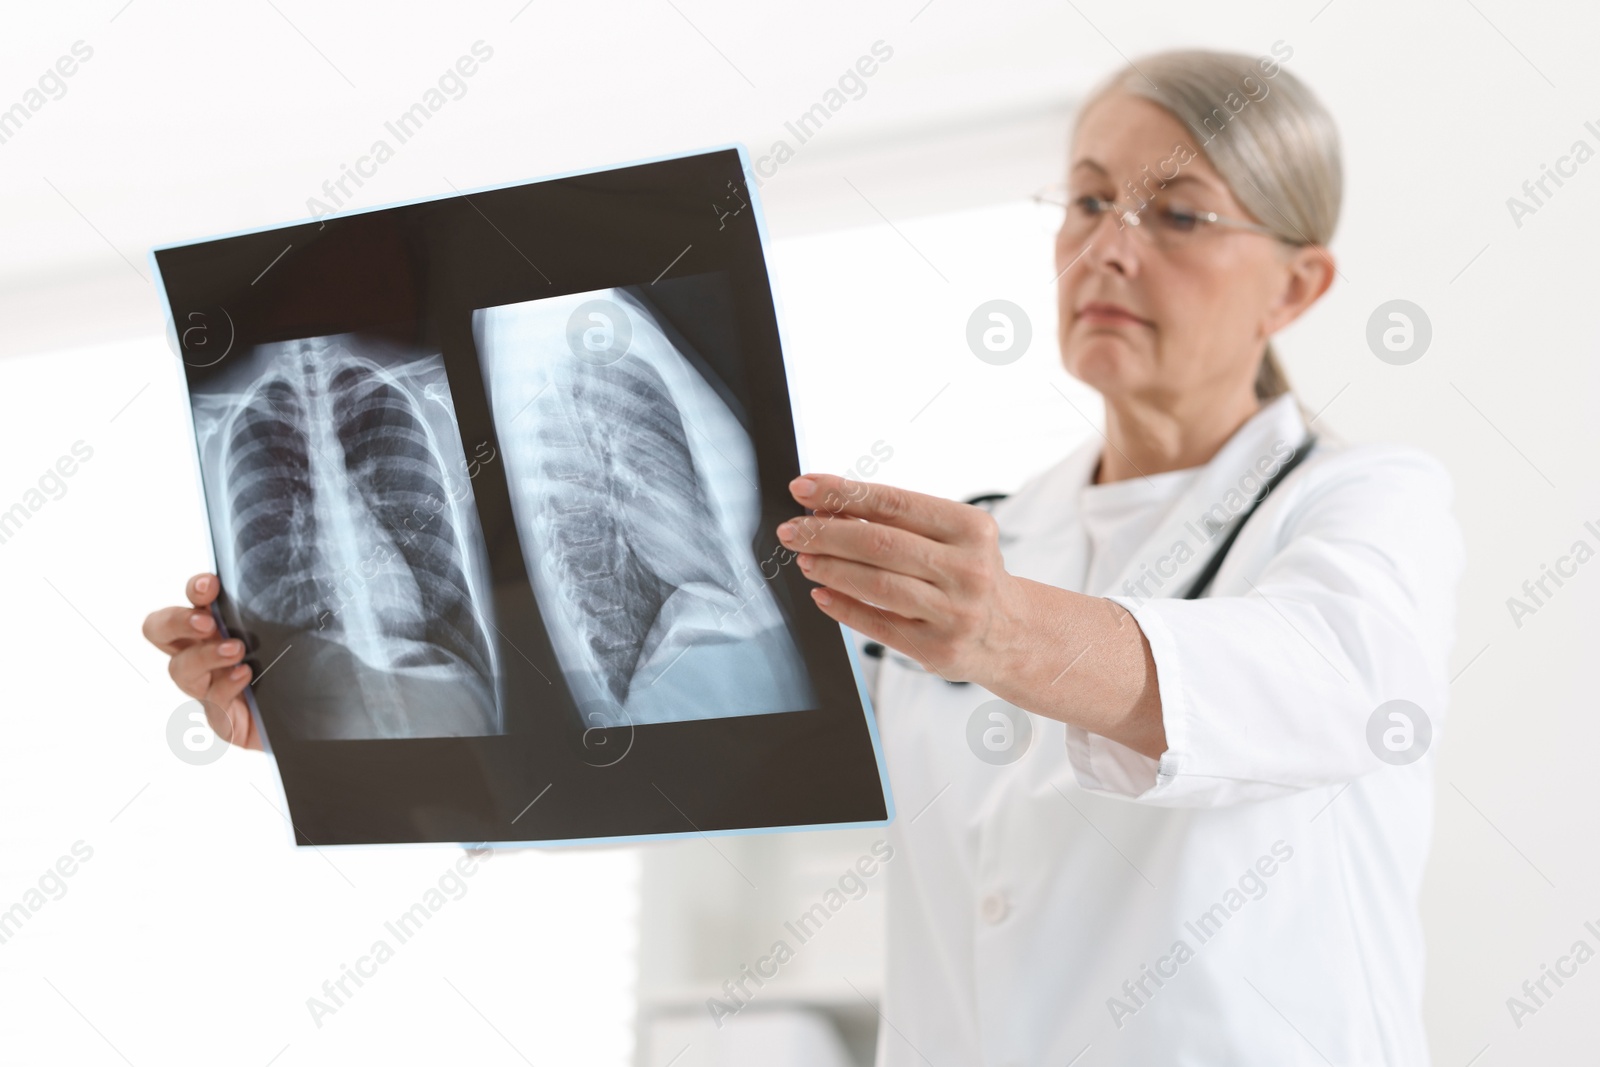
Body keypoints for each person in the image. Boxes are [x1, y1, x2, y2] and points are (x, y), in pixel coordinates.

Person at [143, 48, 1464, 1067]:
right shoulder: (975, 541)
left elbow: (1322, 676)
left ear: (1298, 286)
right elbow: (655, 772)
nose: (1108, 244)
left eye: (1179, 213)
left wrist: (1001, 634)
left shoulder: (1360, 504)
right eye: (1086, 199)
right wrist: (322, 712)